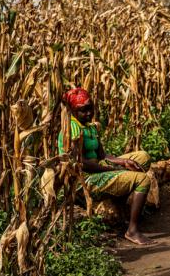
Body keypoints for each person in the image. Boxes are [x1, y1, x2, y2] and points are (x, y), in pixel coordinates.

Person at [59, 87, 155, 246]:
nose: (89, 113)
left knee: (142, 157)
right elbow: (82, 164)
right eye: (83, 110)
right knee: (143, 180)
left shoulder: (89, 125)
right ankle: (132, 230)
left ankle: (121, 199)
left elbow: (102, 156)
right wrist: (115, 169)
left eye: (90, 108)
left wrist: (123, 162)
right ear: (73, 111)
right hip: (85, 180)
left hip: (98, 166)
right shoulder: (72, 128)